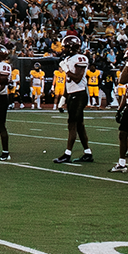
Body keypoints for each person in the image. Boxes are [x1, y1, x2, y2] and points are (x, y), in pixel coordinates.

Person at [54, 35, 93, 163]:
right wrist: (63, 98)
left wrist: (65, 69)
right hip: (72, 94)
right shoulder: (69, 59)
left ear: (71, 48)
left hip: (79, 94)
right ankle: (87, 152)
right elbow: (68, 82)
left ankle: (67, 153)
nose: (63, 49)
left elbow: (76, 78)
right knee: (80, 125)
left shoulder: (80, 58)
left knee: (72, 124)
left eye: (65, 47)